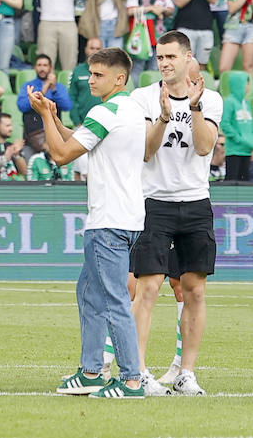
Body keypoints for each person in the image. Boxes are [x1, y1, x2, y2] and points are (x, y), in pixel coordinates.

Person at [29, 47, 147, 399]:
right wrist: (53, 116)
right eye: (91, 73)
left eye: (98, 74)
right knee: (89, 294)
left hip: (108, 218)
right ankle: (92, 371)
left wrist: (44, 118)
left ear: (119, 78)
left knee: (112, 301)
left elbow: (61, 154)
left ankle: (130, 380)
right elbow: (79, 138)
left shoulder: (106, 110)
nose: (90, 79)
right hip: (127, 216)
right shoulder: (128, 109)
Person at [129, 31, 219, 396]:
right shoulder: (143, 97)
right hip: (154, 202)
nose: (163, 63)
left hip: (196, 202)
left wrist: (193, 107)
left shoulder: (210, 99)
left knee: (195, 290)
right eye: (159, 56)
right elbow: (146, 152)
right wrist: (164, 118)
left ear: (187, 57)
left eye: (170, 56)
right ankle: (138, 371)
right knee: (147, 288)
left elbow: (203, 147)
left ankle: (186, 373)